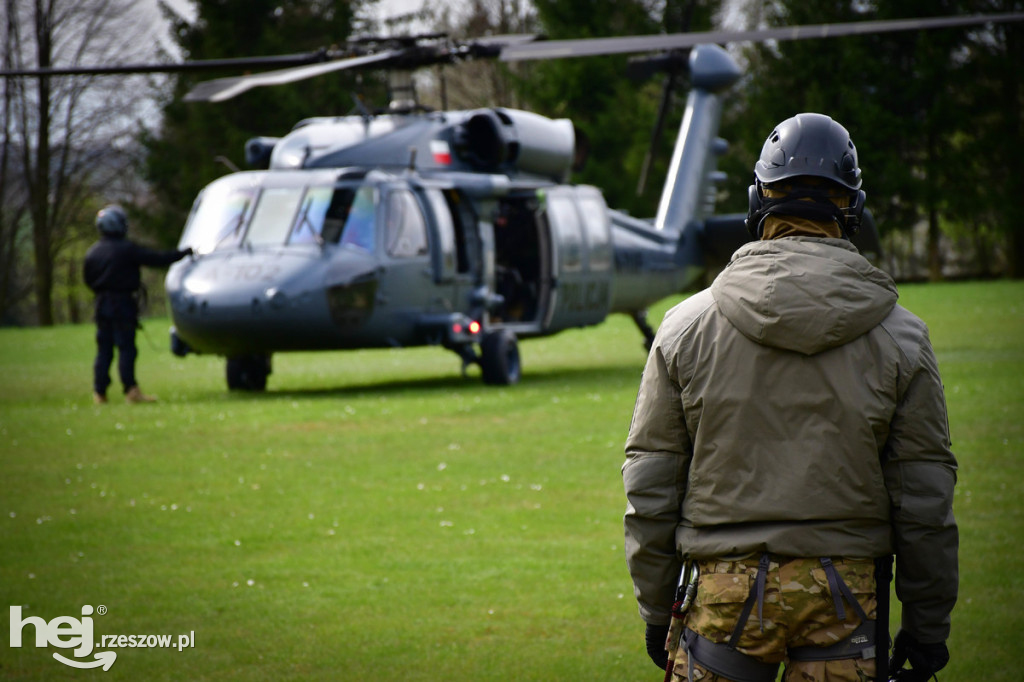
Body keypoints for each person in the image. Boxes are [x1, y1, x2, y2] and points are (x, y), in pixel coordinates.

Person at [622, 113, 958, 681]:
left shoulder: (685, 327)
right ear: (852, 207)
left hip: (721, 595)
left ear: (758, 201)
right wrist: (926, 630)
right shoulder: (902, 336)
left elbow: (651, 483)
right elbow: (925, 499)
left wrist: (658, 610)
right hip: (846, 597)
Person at [84, 205, 192, 404]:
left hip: (101, 306)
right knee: (126, 348)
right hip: (122, 305)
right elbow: (157, 259)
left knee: (104, 350)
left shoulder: (93, 253)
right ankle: (131, 391)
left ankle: (99, 393)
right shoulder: (126, 249)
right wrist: (184, 253)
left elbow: (88, 280)